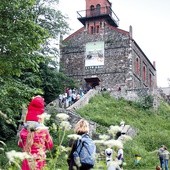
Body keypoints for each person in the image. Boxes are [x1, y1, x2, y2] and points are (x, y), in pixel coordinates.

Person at [18, 96, 53, 170]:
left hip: (26, 163)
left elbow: (20, 145)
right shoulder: (43, 131)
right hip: (39, 163)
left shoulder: (23, 131)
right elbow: (50, 146)